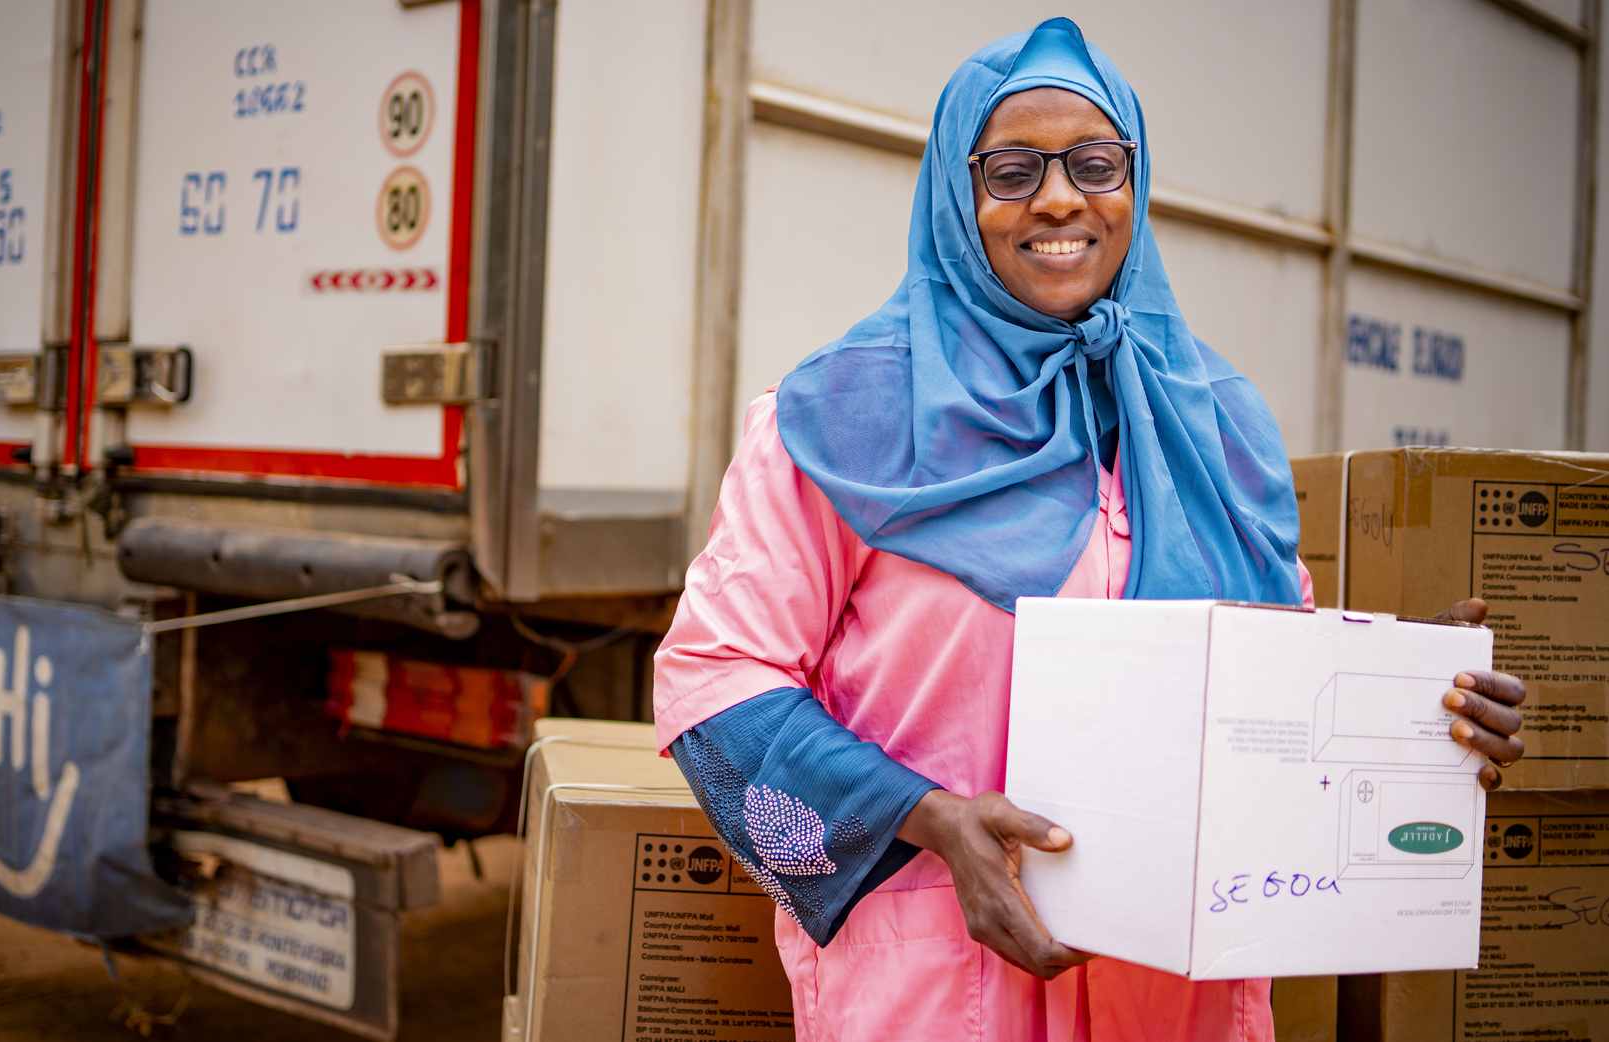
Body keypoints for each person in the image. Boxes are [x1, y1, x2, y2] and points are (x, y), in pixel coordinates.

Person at [652, 18, 1526, 1041]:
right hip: (939, 994)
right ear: (954, 193)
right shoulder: (841, 415)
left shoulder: (1214, 420)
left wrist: (1413, 710)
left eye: (1094, 164)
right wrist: (930, 820)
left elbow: (1264, 681)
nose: (1059, 198)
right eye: (1012, 169)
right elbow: (713, 677)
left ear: (1132, 185)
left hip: (1174, 998)